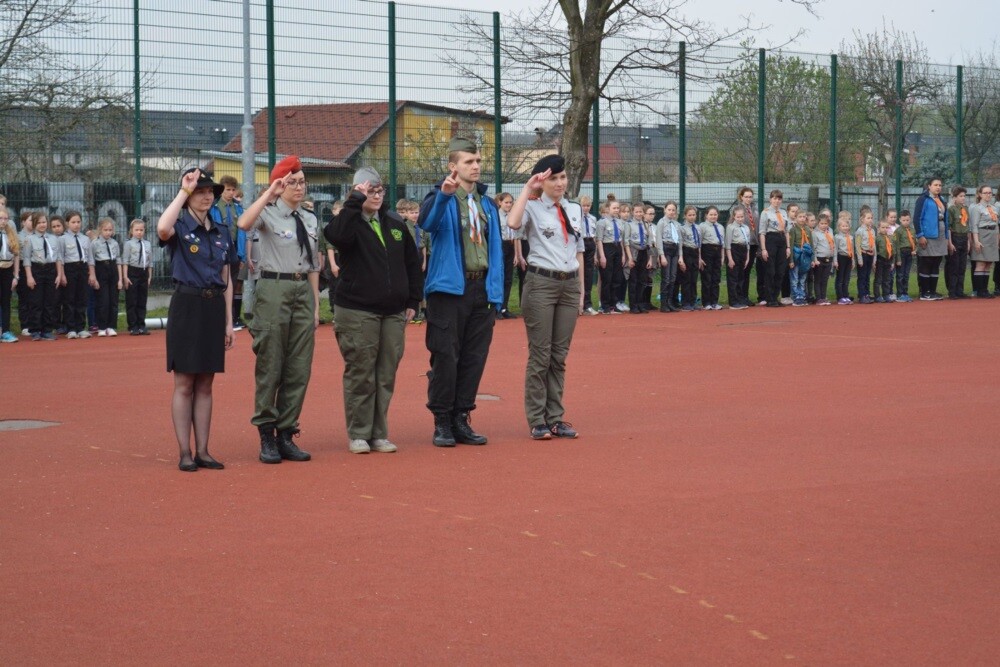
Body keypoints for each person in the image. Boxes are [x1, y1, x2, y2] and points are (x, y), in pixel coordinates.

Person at [324, 168, 422, 453]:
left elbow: (411, 263)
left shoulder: (395, 222)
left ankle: (379, 433)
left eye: (380, 190)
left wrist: (413, 300)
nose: (377, 196)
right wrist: (354, 202)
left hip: (393, 311)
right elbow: (337, 236)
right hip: (357, 310)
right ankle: (359, 433)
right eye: (370, 191)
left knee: (386, 373)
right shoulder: (348, 222)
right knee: (361, 372)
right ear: (356, 192)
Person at [416, 137, 504, 447]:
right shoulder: (440, 196)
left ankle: (461, 416)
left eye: (478, 160)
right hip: (449, 290)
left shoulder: (487, 204)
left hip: (481, 288)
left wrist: (496, 291)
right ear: (453, 166)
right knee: (445, 355)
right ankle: (442, 419)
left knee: (474, 357)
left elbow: (495, 247)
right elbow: (426, 223)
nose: (476, 166)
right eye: (469, 161)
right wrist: (444, 195)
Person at [238, 155, 319, 464]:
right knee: (271, 363)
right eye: (291, 182)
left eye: (302, 182)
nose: (299, 187)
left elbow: (313, 265)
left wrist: (314, 306)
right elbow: (244, 223)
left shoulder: (310, 218)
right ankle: (266, 433)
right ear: (279, 185)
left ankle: (286, 432)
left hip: (302, 290)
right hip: (274, 289)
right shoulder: (268, 213)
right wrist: (269, 194)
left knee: (299, 367)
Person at [157, 168, 235, 472]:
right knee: (185, 382)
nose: (206, 196)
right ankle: (184, 452)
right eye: (200, 192)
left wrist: (228, 321)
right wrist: (183, 191)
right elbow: (162, 228)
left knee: (206, 383)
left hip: (213, 307)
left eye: (209, 192)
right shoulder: (179, 226)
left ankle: (203, 450)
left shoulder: (222, 231)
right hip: (187, 306)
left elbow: (226, 277)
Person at [506, 155, 584, 440]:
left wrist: (581, 289)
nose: (560, 183)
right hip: (541, 284)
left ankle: (555, 418)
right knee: (541, 355)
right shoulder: (532, 207)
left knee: (559, 356)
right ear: (542, 181)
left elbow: (578, 250)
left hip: (569, 285)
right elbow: (513, 223)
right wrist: (528, 189)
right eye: (553, 178)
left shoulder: (574, 209)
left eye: (562, 177)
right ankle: (537, 419)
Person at [21, 212, 61, 341]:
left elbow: (58, 258)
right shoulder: (29, 239)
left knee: (50, 301)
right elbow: (26, 259)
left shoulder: (53, 239)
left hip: (51, 270)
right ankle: (35, 330)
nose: (42, 225)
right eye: (39, 223)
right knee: (36, 301)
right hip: (37, 269)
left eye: (44, 222)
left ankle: (47, 330)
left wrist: (59, 274)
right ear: (34, 224)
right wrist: (29, 277)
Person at [213, 175, 246, 330]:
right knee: (218, 284)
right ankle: (217, 318)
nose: (231, 193)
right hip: (218, 249)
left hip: (234, 250)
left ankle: (230, 319)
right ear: (221, 190)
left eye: (233, 190)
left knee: (231, 284)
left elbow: (242, 233)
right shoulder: (214, 207)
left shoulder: (238, 208)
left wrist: (242, 255)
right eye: (228, 189)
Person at [56, 210, 93, 339]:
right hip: (69, 268)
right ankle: (70, 328)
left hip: (82, 268)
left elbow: (90, 258)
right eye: (73, 222)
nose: (76, 224)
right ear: (67, 223)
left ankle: (81, 327)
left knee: (82, 298)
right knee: (69, 299)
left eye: (78, 222)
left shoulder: (85, 239)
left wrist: (91, 274)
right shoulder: (62, 239)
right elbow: (60, 258)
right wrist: (62, 274)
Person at [913, 177, 949, 301]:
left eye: (940, 185)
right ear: (929, 186)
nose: (938, 187)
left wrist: (946, 236)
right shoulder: (923, 199)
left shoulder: (942, 199)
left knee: (936, 262)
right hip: (928, 235)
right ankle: (924, 292)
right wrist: (920, 235)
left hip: (941, 234)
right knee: (927, 262)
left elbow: (945, 218)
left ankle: (933, 291)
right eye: (935, 185)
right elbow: (917, 219)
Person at [89, 218, 122, 336]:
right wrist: (93, 277)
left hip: (113, 269)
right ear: (100, 230)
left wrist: (120, 279)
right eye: (105, 230)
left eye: (110, 230)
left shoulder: (115, 243)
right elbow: (91, 261)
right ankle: (102, 326)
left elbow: (118, 260)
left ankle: (111, 326)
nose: (108, 232)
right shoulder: (94, 243)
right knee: (103, 301)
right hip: (101, 269)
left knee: (113, 301)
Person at [758, 190, 790, 308]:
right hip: (771, 239)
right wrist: (763, 249)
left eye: (779, 199)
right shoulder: (765, 212)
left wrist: (788, 247)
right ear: (770, 199)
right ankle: (769, 298)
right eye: (775, 198)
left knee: (780, 271)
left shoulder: (783, 212)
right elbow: (762, 232)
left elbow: (786, 231)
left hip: (782, 240)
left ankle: (775, 297)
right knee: (771, 271)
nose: (777, 201)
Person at [121, 218, 152, 335]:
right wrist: (125, 277)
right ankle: (133, 325)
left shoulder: (147, 244)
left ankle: (141, 325)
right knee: (132, 300)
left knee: (142, 300)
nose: (139, 232)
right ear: (131, 231)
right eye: (137, 230)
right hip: (132, 272)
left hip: (144, 273)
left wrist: (149, 277)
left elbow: (150, 262)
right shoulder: (128, 244)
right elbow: (125, 261)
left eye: (141, 230)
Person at [595, 198, 624, 315]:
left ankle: (613, 304)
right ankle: (605, 305)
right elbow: (599, 240)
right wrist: (602, 256)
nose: (616, 210)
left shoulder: (620, 222)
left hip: (617, 248)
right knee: (607, 278)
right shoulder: (602, 222)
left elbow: (621, 239)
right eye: (614, 208)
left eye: (618, 208)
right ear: (608, 208)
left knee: (617, 278)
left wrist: (623, 255)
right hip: (607, 248)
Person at [968, 184, 998, 298]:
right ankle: (979, 290)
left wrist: (997, 239)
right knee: (981, 263)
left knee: (988, 263)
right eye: (985, 193)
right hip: (982, 235)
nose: (988, 195)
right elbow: (974, 225)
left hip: (992, 235)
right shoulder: (977, 208)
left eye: (990, 193)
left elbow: (996, 224)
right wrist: (976, 241)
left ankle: (985, 289)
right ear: (980, 194)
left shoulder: (994, 208)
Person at [494, 192, 519, 319]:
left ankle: (504, 308)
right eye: (506, 202)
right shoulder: (496, 215)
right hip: (500, 246)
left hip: (511, 245)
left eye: (510, 202)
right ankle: (496, 308)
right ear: (500, 202)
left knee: (508, 279)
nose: (509, 205)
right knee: (499, 277)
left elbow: (515, 234)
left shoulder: (513, 215)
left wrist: (516, 254)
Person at [655, 201, 682, 312]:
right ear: (665, 210)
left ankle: (670, 302)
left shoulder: (677, 224)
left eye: (673, 210)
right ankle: (664, 303)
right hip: (666, 249)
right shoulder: (661, 222)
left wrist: (680, 256)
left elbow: (680, 241)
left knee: (673, 277)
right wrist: (661, 255)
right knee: (666, 278)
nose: (671, 212)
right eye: (669, 210)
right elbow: (658, 240)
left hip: (675, 250)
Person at [698, 205, 725, 310]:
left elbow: (722, 243)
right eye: (711, 214)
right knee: (707, 277)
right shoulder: (702, 226)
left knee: (716, 278)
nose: (713, 216)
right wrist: (699, 257)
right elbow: (699, 243)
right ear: (706, 215)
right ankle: (706, 302)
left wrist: (722, 257)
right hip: (707, 250)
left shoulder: (720, 227)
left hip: (717, 251)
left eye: (715, 214)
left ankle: (714, 302)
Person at [945, 186, 970, 299]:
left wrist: (968, 242)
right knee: (954, 266)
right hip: (955, 238)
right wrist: (950, 243)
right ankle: (952, 291)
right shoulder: (951, 209)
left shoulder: (965, 209)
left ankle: (960, 290)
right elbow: (949, 227)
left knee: (962, 266)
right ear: (954, 197)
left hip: (964, 238)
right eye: (960, 196)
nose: (963, 198)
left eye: (964, 196)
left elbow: (967, 226)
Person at [724, 207, 751, 309]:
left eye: (742, 216)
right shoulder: (730, 227)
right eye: (738, 217)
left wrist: (747, 257)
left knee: (741, 277)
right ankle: (733, 302)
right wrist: (730, 259)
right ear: (734, 217)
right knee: (733, 277)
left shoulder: (746, 227)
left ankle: (740, 299)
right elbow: (728, 244)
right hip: (734, 250)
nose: (740, 219)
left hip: (743, 251)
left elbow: (748, 243)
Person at [0, 207, 20, 343]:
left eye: (5, 219)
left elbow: (16, 255)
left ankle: (6, 331)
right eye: (0, 218)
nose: (3, 221)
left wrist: (16, 276)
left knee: (5, 301)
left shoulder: (10, 233)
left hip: (7, 269)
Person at [678, 205, 703, 311]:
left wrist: (700, 258)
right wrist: (681, 258)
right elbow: (680, 244)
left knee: (694, 279)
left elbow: (699, 244)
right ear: (685, 216)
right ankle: (686, 302)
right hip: (686, 252)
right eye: (690, 215)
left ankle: (693, 301)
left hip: (695, 252)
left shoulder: (698, 228)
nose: (692, 217)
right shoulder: (682, 228)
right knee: (686, 279)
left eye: (694, 215)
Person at [579, 195, 599, 315]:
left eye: (588, 206)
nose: (586, 208)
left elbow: (595, 236)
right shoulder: (577, 218)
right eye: (583, 206)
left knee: (589, 275)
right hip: (581, 244)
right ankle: (578, 304)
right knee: (579, 275)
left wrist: (595, 254)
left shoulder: (593, 218)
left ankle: (588, 304)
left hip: (590, 243)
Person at [788, 210, 813, 306]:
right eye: (800, 217)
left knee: (803, 278)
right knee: (795, 277)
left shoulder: (808, 230)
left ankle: (802, 295)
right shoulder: (793, 230)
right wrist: (791, 260)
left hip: (806, 257)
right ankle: (796, 296)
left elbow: (811, 245)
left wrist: (812, 259)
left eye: (804, 217)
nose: (802, 219)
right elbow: (791, 245)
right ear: (796, 218)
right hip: (796, 256)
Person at [811, 212, 835, 305]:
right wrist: (815, 259)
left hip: (828, 259)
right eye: (822, 223)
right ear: (818, 223)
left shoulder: (830, 232)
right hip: (819, 259)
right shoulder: (815, 233)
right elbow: (814, 247)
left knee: (825, 280)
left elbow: (832, 245)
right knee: (818, 279)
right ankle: (818, 298)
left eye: (826, 223)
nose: (824, 225)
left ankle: (823, 297)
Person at [893, 211, 917, 302]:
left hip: (909, 253)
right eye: (903, 220)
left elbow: (916, 242)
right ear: (900, 220)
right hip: (901, 253)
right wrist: (898, 259)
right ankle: (899, 294)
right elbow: (896, 245)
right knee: (900, 274)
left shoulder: (912, 230)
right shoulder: (898, 231)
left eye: (907, 220)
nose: (906, 222)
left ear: (910, 219)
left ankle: (905, 293)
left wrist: (915, 250)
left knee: (906, 274)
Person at [854, 210, 876, 304]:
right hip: (863, 254)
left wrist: (874, 257)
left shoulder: (872, 230)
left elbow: (873, 244)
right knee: (862, 276)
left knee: (867, 275)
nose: (870, 220)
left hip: (870, 254)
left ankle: (867, 294)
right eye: (868, 218)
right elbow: (857, 246)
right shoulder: (860, 231)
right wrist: (860, 259)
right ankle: (861, 295)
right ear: (862, 219)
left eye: (871, 218)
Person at [873, 219, 894, 303]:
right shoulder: (877, 238)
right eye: (883, 227)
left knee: (887, 279)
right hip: (880, 260)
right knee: (878, 279)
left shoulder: (890, 238)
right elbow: (875, 250)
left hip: (888, 260)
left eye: (886, 227)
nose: (885, 229)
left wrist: (892, 261)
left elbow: (892, 250)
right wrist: (874, 262)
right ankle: (877, 296)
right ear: (879, 228)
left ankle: (886, 295)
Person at [834, 216, 854, 305]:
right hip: (841, 257)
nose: (845, 228)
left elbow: (852, 249)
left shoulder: (851, 237)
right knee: (840, 278)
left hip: (849, 258)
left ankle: (846, 295)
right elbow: (835, 249)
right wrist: (835, 261)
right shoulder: (837, 237)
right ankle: (840, 297)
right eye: (843, 226)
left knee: (847, 278)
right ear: (839, 227)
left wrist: (853, 260)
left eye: (847, 226)